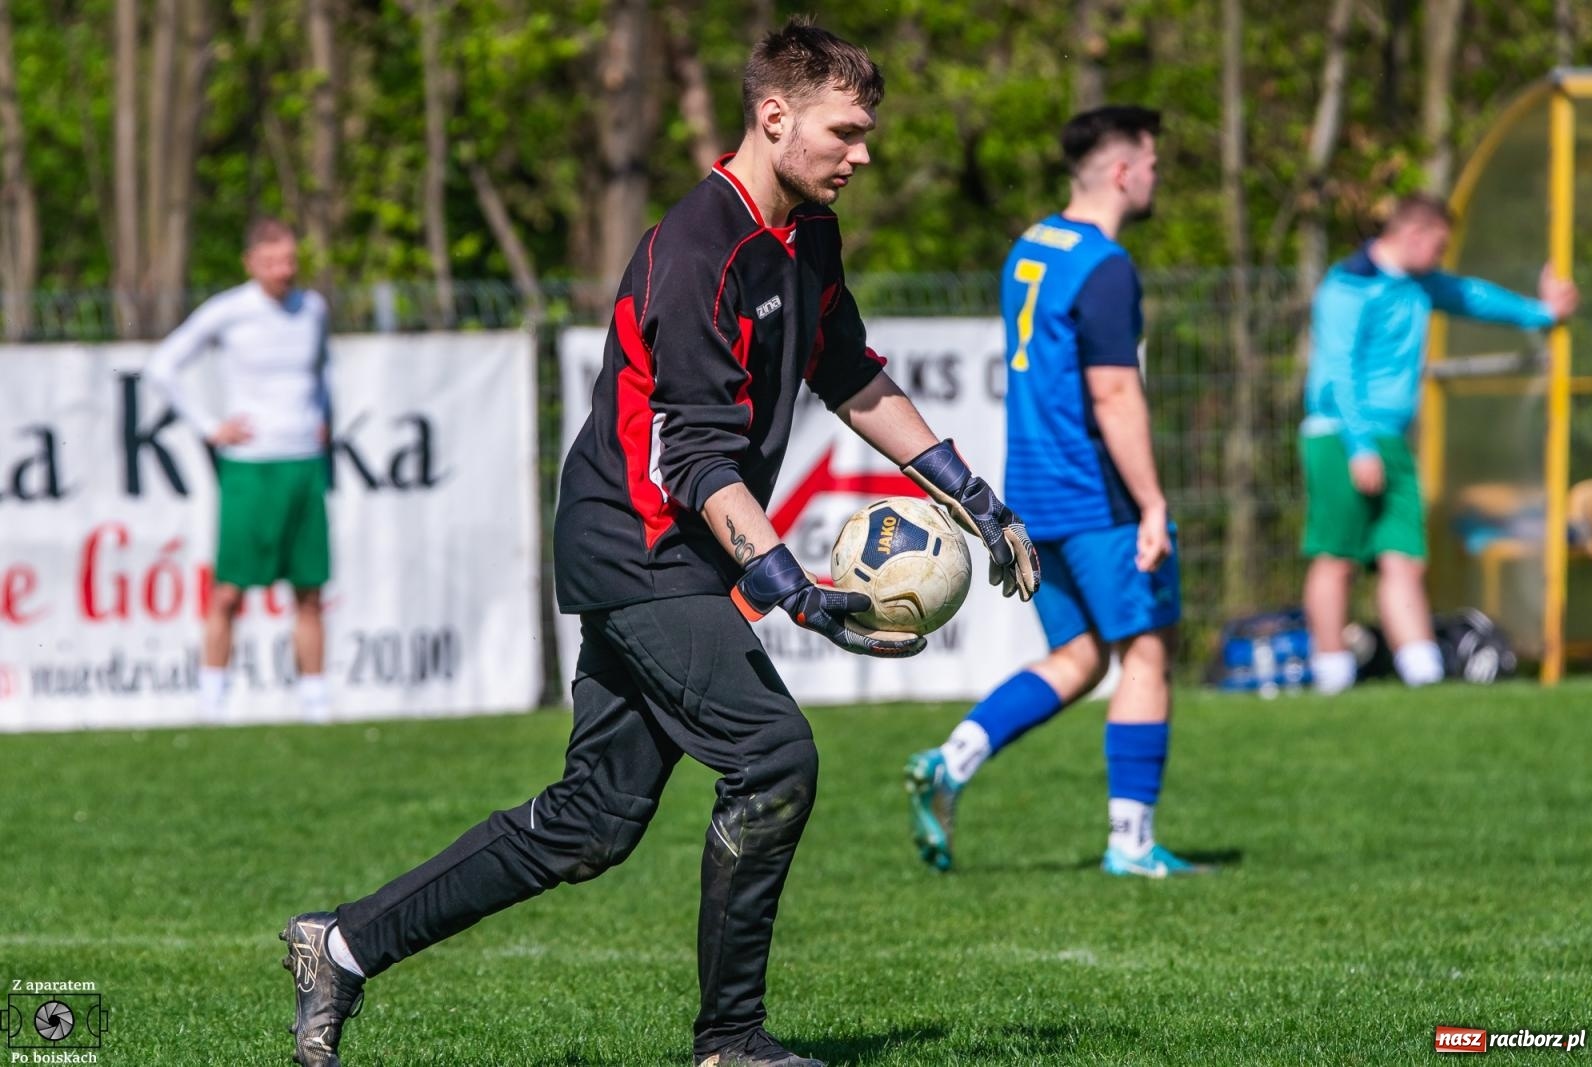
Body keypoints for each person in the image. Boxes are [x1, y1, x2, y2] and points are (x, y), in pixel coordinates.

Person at [277, 21, 1039, 1067]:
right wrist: (795, 591)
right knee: (773, 755)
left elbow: (848, 369)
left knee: (593, 818)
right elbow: (692, 461)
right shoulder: (697, 250)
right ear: (774, 118)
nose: (862, 153)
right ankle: (729, 1039)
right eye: (845, 131)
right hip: (637, 543)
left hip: (675, 547)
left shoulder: (807, 234)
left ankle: (343, 943)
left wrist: (972, 494)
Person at [904, 105, 1200, 879]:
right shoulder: (1105, 265)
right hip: (1096, 492)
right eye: (1155, 163)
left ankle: (951, 759)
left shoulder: (1031, 245)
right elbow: (1113, 394)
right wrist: (1155, 502)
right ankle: (1132, 844)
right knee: (1146, 650)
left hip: (1033, 486)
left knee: (1078, 653)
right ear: (1125, 169)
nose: (1157, 177)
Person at [1300, 194, 1579, 695]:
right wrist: (1359, 445)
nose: (1442, 256)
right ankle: (1330, 673)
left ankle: (1422, 672)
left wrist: (1543, 312)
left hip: (1392, 439)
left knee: (1404, 554)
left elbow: (1474, 297)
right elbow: (1338, 374)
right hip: (1339, 436)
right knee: (1336, 556)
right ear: (1412, 235)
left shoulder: (1420, 285)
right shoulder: (1347, 287)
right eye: (1439, 245)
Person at [145, 217, 334, 724]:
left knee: (310, 589)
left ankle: (317, 705)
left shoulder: (312, 309)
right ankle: (213, 701)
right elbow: (162, 366)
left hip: (304, 462)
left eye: (291, 260)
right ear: (251, 263)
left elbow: (323, 373)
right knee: (229, 590)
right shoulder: (230, 312)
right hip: (250, 467)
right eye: (273, 262)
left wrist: (323, 419)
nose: (284, 271)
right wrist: (210, 425)